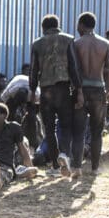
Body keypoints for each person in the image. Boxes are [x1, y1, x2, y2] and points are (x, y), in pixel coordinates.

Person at [29, 14, 80, 176]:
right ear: (58, 25)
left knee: (49, 129)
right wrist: (78, 89)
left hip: (46, 91)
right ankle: (64, 154)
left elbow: (33, 70)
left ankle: (55, 167)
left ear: (43, 28)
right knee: (66, 126)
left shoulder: (37, 44)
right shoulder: (68, 39)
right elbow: (73, 67)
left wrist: (32, 90)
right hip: (64, 89)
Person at [69, 12, 109, 178]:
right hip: (98, 90)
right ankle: (95, 168)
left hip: (81, 90)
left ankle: (76, 167)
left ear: (82, 25)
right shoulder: (105, 44)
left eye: (77, 25)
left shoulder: (76, 44)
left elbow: (74, 71)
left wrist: (77, 92)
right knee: (97, 132)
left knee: (79, 131)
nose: (76, 28)